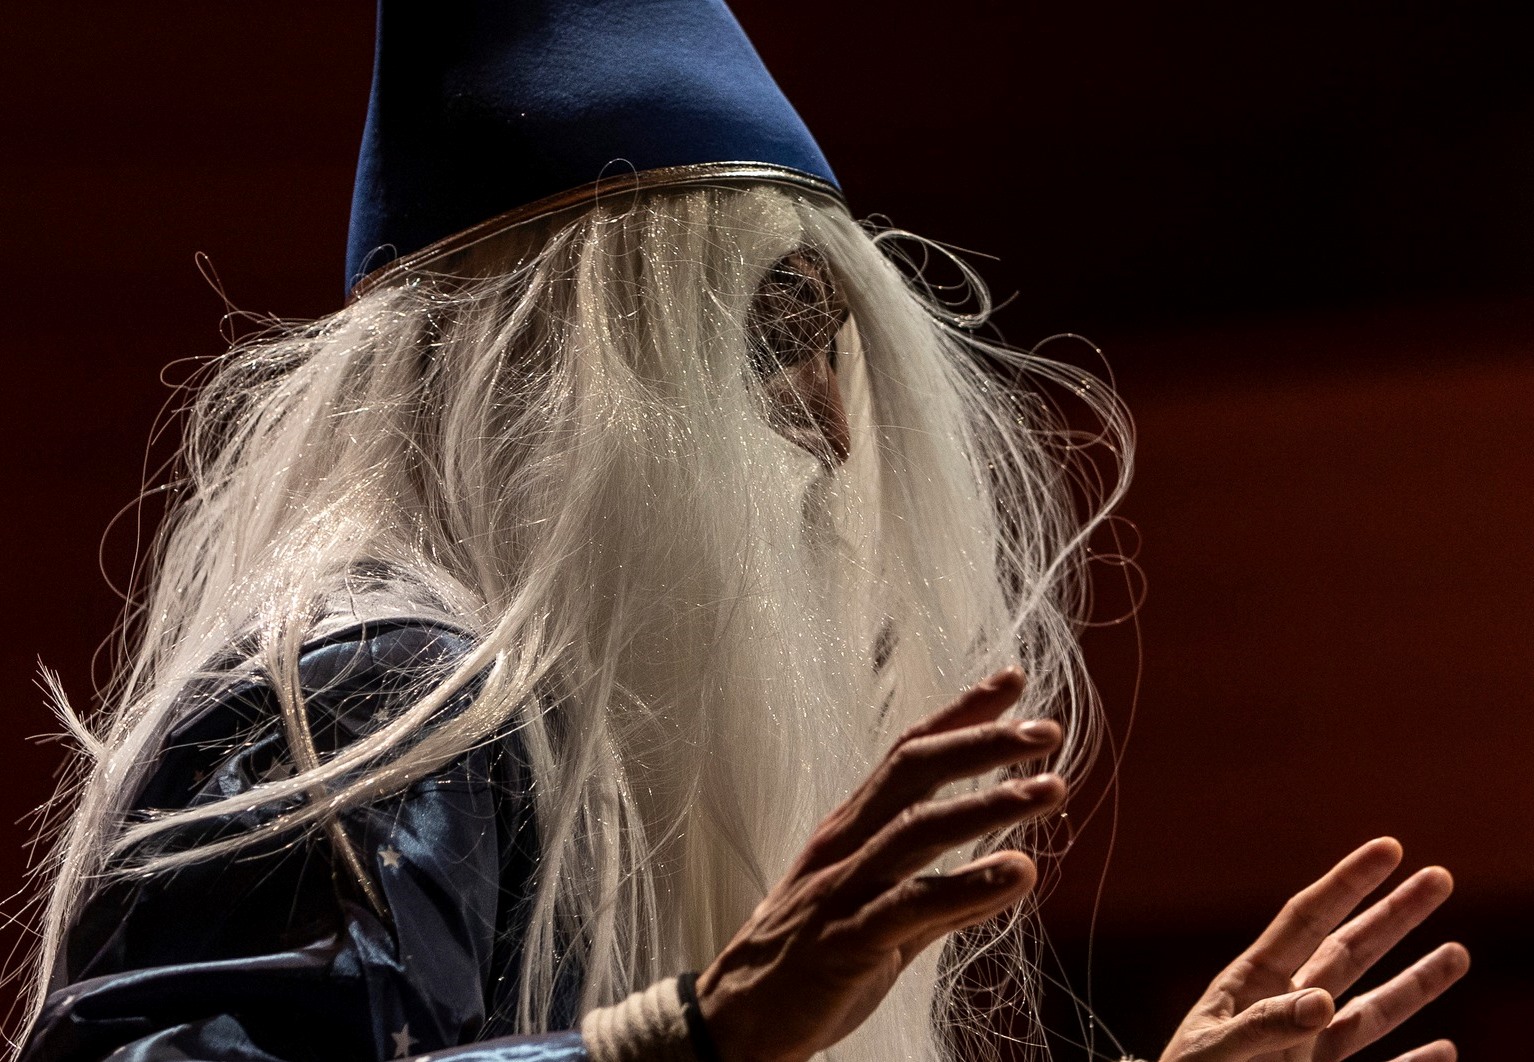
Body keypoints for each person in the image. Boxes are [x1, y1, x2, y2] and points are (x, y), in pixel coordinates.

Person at [12, 2, 1468, 1061]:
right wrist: (692, 1035)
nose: (831, 425)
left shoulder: (589, 747)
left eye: (829, 342)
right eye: (774, 331)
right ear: (569, 361)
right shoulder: (372, 697)